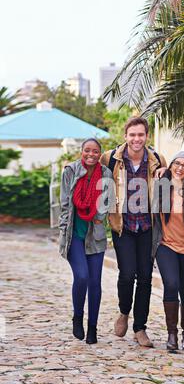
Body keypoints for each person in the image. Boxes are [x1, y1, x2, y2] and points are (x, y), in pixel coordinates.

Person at [100, 116, 167, 348]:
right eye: (132, 135)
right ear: (125, 136)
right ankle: (123, 312)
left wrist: (165, 171)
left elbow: (171, 184)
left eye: (141, 135)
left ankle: (140, 328)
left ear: (146, 136)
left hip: (148, 228)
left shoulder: (157, 160)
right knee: (127, 274)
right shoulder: (110, 159)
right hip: (123, 226)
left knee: (146, 278)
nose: (136, 139)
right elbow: (96, 182)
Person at [59, 138, 113, 344]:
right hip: (74, 235)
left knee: (95, 282)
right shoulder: (70, 171)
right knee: (81, 277)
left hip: (95, 236)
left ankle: (93, 328)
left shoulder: (105, 174)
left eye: (96, 151)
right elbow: (65, 205)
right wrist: (63, 234)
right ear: (82, 151)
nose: (91, 154)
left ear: (100, 154)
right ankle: (78, 317)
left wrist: (101, 214)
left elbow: (107, 202)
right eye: (87, 151)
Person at [152, 151, 184, 352]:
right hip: (166, 245)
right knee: (171, 284)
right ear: (171, 164)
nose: (180, 168)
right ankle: (171, 334)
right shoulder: (160, 186)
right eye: (176, 163)